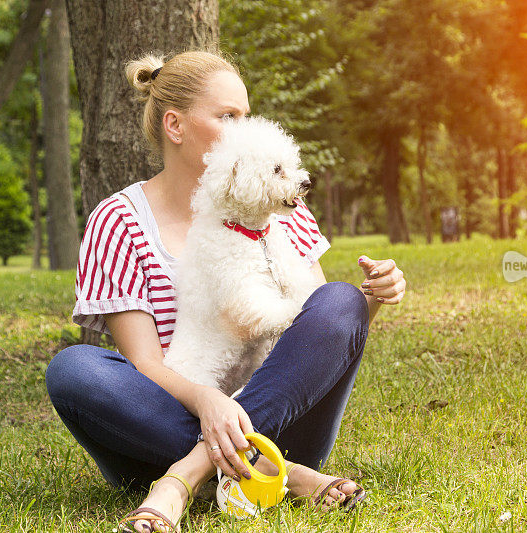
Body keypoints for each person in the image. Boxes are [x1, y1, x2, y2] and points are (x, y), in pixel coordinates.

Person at [45, 49, 407, 533]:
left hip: (282, 424)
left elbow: (316, 334)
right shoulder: (119, 221)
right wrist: (207, 401)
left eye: (246, 117)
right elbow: (145, 365)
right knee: (74, 369)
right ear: (175, 125)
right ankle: (287, 476)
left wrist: (373, 298)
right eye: (227, 117)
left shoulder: (284, 207)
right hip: (159, 429)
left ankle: (184, 477)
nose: (243, 129)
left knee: (340, 299)